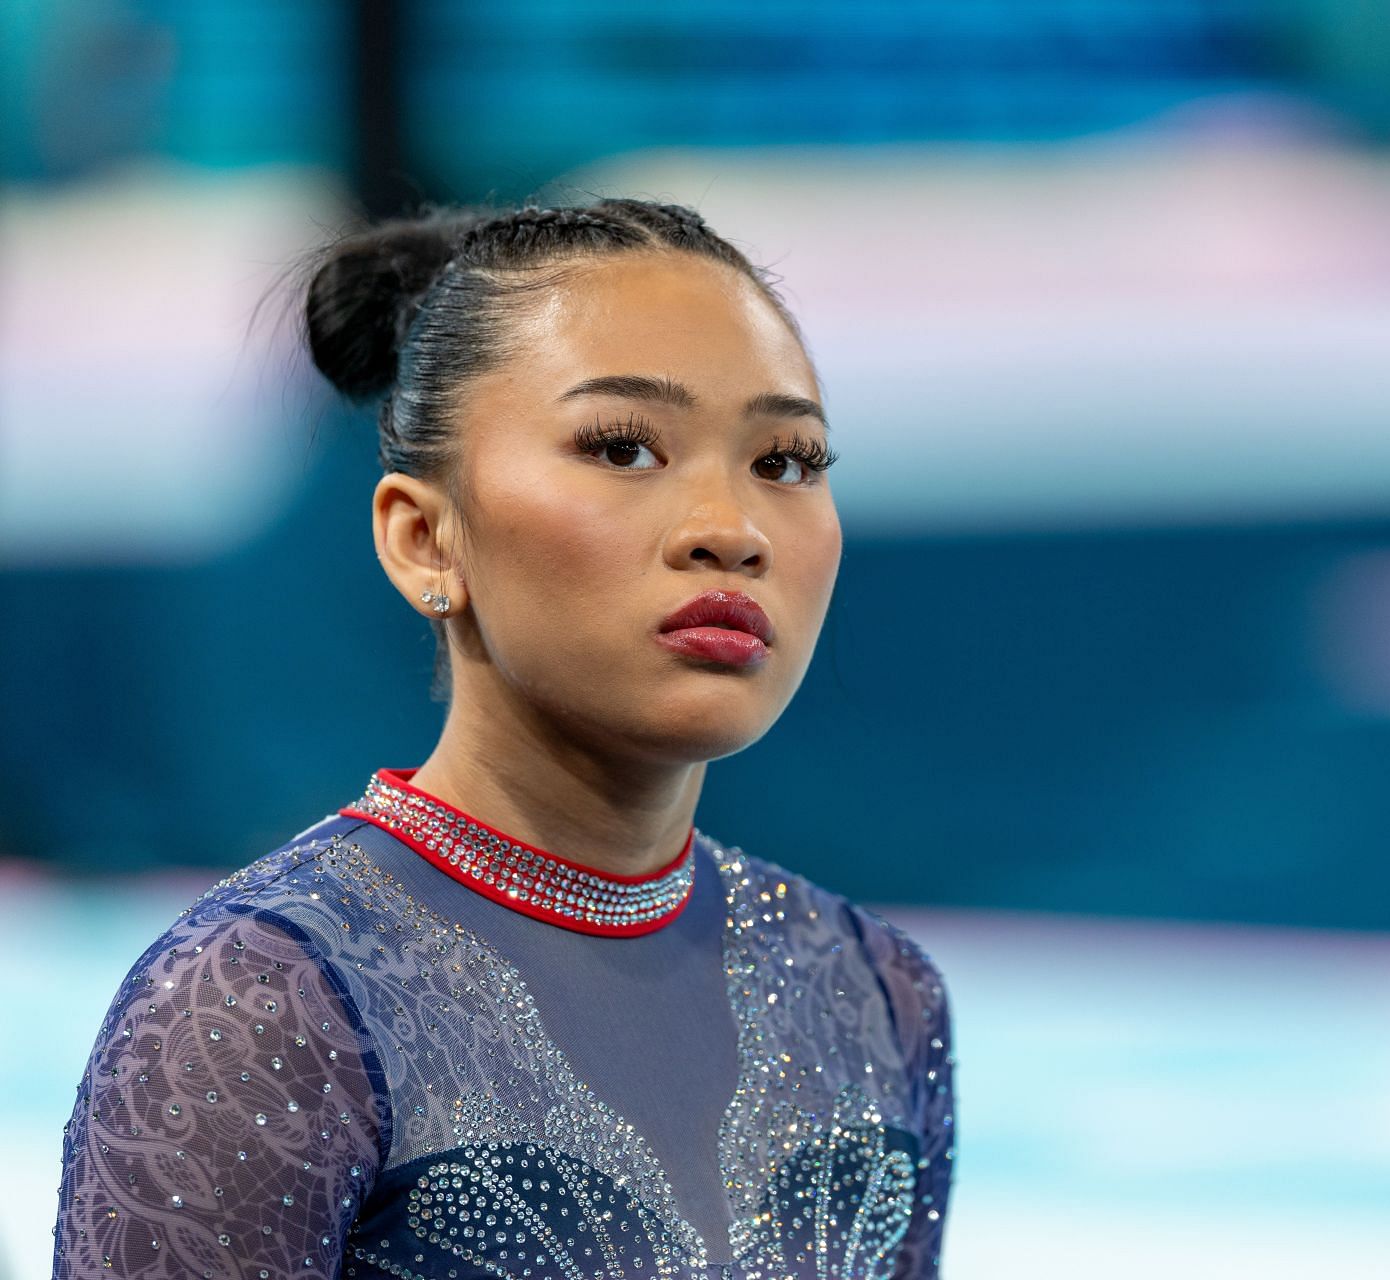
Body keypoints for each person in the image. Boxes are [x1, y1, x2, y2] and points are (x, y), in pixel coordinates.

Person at [48, 198, 956, 1279]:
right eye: (624, 446)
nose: (732, 526)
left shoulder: (874, 994)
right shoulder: (264, 1003)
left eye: (788, 461)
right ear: (425, 536)